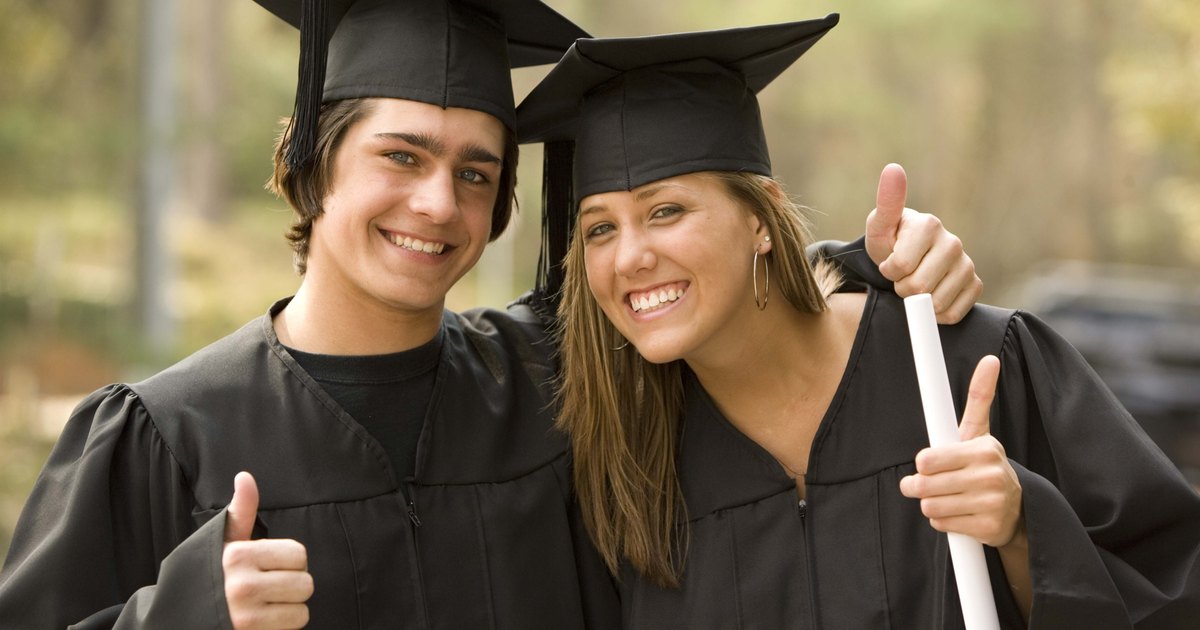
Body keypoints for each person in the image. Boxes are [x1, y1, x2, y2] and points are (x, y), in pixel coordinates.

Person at [0, 3, 982, 629]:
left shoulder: (548, 381)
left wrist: (859, 267)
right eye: (402, 156)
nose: (439, 203)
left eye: (477, 172)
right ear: (310, 161)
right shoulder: (164, 437)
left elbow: (693, 296)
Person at [520, 14, 1200, 629]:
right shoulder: (629, 462)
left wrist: (1024, 528)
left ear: (762, 217)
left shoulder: (968, 363)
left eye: (667, 211)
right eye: (600, 229)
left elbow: (1171, 589)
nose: (631, 256)